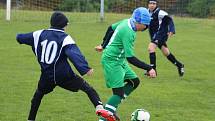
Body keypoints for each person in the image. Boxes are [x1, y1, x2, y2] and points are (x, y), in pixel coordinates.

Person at [16, 12, 113, 121]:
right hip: (63, 74)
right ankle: (99, 107)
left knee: (38, 96)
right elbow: (74, 53)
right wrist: (85, 68)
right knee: (88, 88)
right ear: (63, 25)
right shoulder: (65, 37)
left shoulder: (38, 34)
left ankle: (30, 119)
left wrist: (19, 37)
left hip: (46, 75)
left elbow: (20, 37)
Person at [96, 7, 156, 121]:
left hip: (119, 60)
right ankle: (104, 118)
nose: (146, 27)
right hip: (112, 61)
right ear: (139, 22)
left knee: (134, 82)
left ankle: (111, 109)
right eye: (145, 25)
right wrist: (149, 68)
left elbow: (111, 28)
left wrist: (103, 45)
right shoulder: (128, 32)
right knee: (118, 94)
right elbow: (131, 58)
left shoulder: (127, 21)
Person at [147, 0, 184, 76]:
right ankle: (179, 65)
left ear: (156, 5)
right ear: (148, 4)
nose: (152, 5)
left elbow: (170, 20)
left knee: (151, 47)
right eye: (150, 3)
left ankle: (153, 70)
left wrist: (171, 30)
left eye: (154, 4)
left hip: (161, 34)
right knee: (166, 52)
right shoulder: (147, 12)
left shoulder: (160, 13)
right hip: (154, 35)